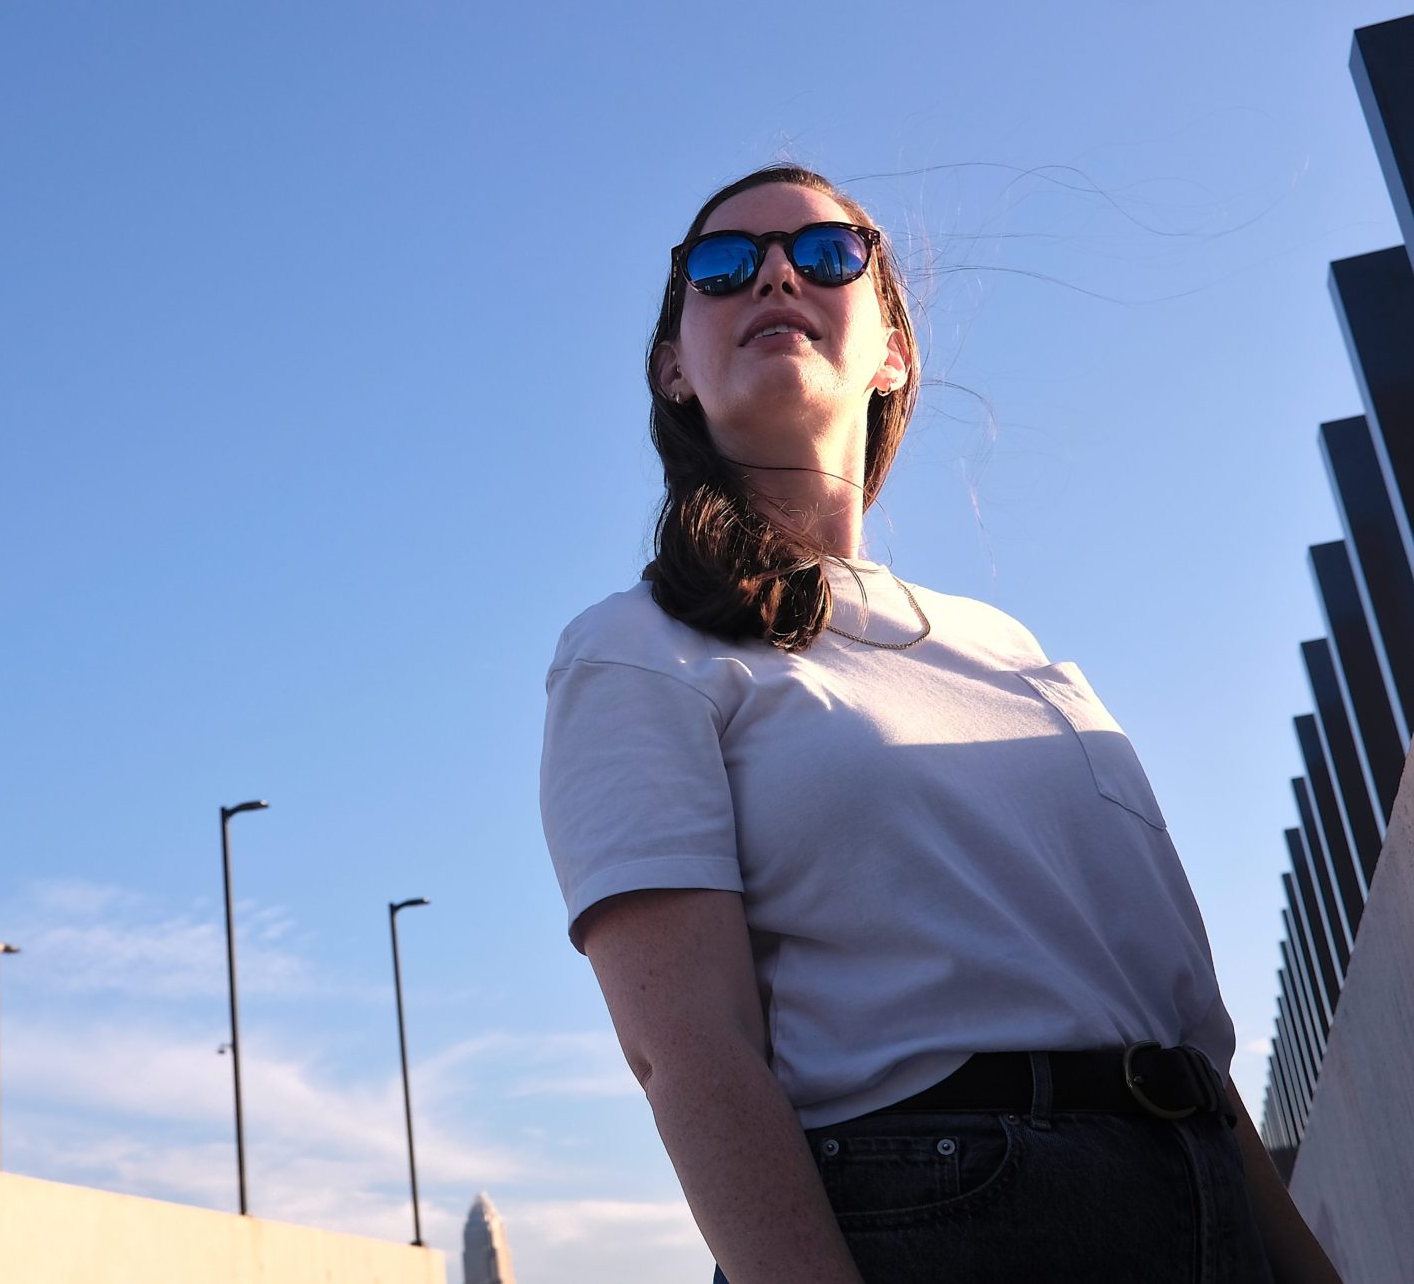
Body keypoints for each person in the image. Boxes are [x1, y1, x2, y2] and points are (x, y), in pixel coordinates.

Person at [537, 164, 1343, 1283]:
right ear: (673, 365)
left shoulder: (1011, 649)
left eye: (825, 253)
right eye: (719, 267)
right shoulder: (638, 645)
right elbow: (687, 1052)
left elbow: (1186, 1047)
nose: (772, 269)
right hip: (935, 1218)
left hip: (1199, 1192)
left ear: (892, 350)